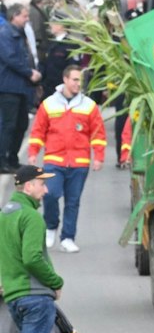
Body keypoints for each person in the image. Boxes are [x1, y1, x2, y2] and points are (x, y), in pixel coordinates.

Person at [0, 166, 62, 333]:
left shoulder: (4, 215)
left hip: (14, 296)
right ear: (28, 186)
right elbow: (33, 258)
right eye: (41, 184)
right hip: (35, 295)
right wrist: (56, 281)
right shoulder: (32, 217)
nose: (45, 189)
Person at [26, 64, 106, 251]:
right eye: (75, 80)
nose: (78, 84)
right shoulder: (49, 104)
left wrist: (99, 157)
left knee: (73, 200)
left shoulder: (88, 106)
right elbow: (38, 131)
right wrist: (33, 153)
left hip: (79, 162)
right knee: (51, 195)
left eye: (80, 80)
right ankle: (51, 226)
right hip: (54, 160)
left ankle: (67, 237)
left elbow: (98, 134)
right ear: (65, 79)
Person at [0, 4, 42, 173]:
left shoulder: (18, 33)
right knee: (9, 125)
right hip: (9, 86)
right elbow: (11, 58)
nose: (27, 20)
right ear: (14, 16)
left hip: (21, 86)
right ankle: (3, 159)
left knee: (21, 124)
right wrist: (29, 72)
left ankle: (12, 158)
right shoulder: (5, 34)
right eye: (24, 16)